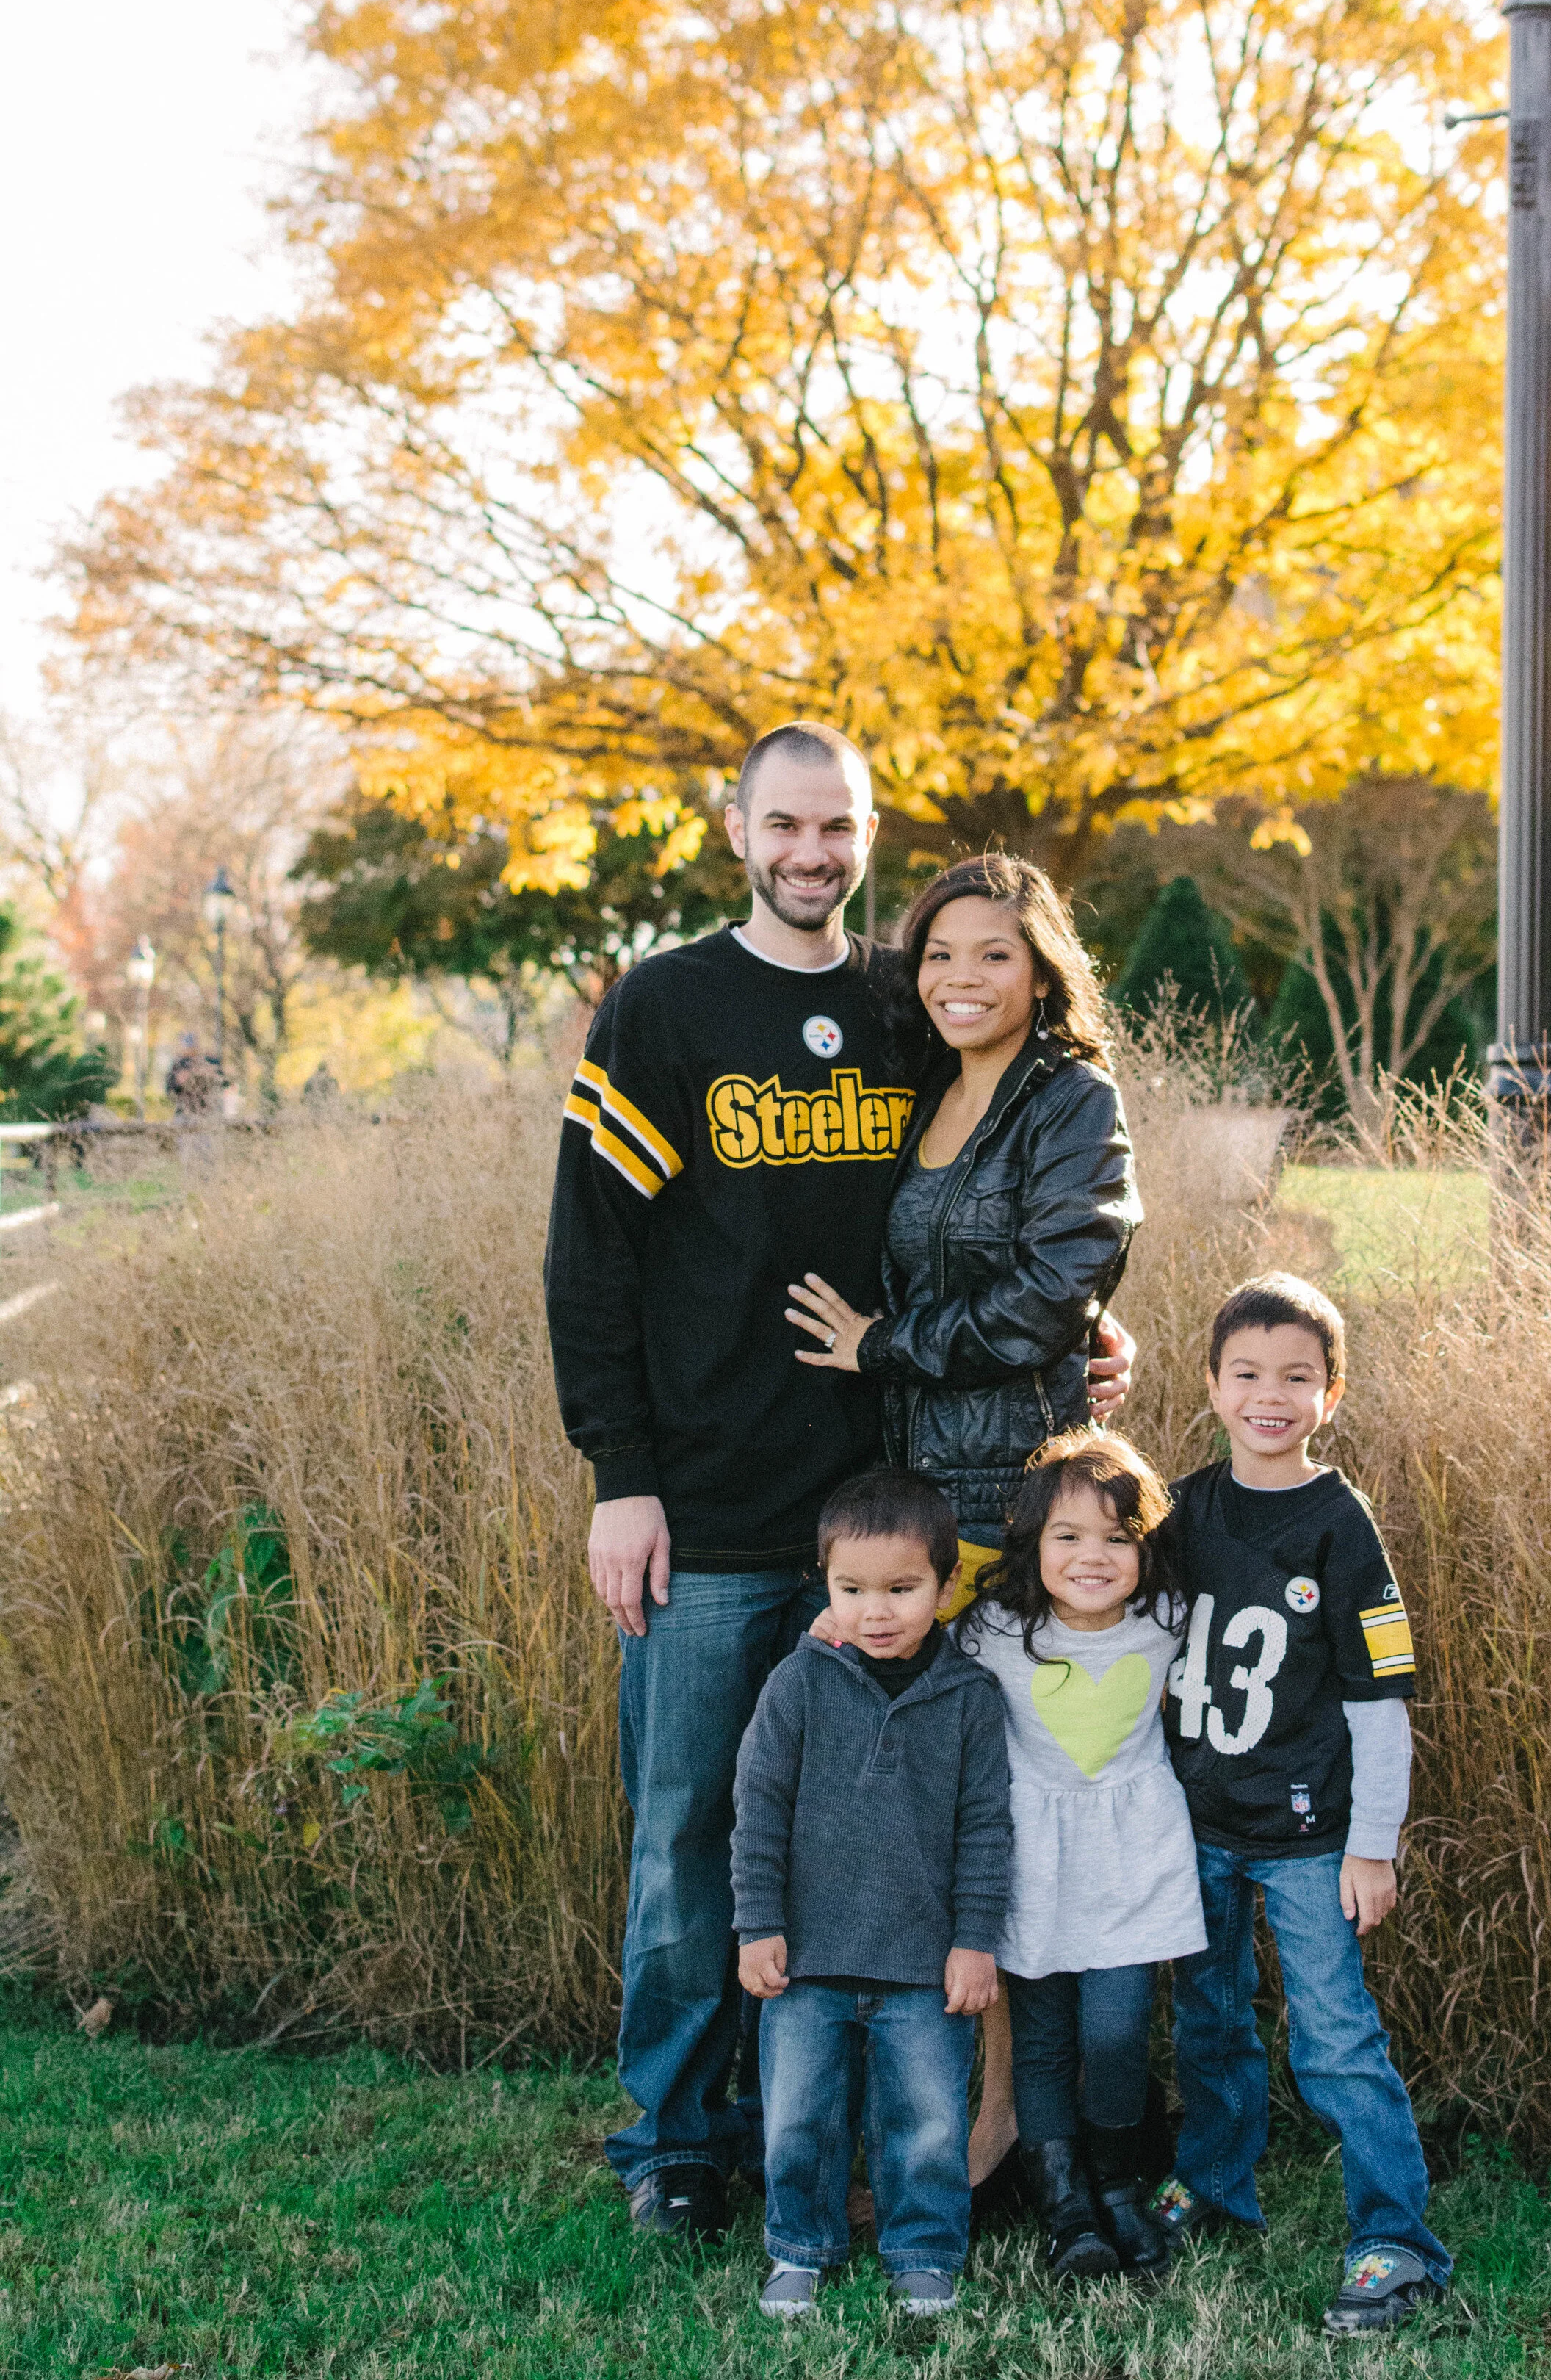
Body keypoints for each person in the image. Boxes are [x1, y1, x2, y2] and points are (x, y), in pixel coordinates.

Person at [543, 725, 1132, 2243]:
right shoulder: (664, 1004)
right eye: (786, 825)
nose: (812, 853)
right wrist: (623, 1477)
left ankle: (857, 2128)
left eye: (840, 828)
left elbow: (973, 1196)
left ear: (868, 834)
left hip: (891, 1513)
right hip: (717, 1508)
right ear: (737, 827)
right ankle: (677, 2137)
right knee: (685, 1829)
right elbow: (588, 1258)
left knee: (878, 1840)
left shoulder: (896, 1004)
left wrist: (1076, 1327)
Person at [782, 849, 1143, 2199]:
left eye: (992, 954)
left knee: (1005, 1825)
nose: (959, 979)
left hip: (1018, 1511)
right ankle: (945, 2118)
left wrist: (886, 1347)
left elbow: (1057, 1294)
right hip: (922, 1504)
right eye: (937, 955)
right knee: (930, 1828)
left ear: (1042, 966)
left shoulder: (1070, 1098)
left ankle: (1012, 2131)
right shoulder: (928, 1086)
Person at [1154, 1272, 1453, 2337]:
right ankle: (1215, 2182)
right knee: (1210, 2020)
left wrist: (1373, 1847)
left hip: (1308, 1839)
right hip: (1198, 1824)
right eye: (1247, 1374)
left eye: (1296, 1376)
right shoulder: (1182, 1507)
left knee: (1334, 2038)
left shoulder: (1341, 1525)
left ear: (1332, 1392)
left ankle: (1394, 2239)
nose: (1268, 1395)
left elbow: (1380, 1699)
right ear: (1212, 1383)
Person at [732, 1469, 1010, 2320]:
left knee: (925, 2120)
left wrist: (975, 1941)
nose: (875, 1611)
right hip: (808, 1957)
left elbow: (987, 1831)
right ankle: (798, 2249)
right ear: (825, 1583)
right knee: (800, 2117)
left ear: (946, 1585)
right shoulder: (800, 1684)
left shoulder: (969, 1700)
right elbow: (758, 1811)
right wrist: (757, 1924)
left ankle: (923, 2252)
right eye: (851, 1590)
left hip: (924, 1964)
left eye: (901, 1589)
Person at [956, 1431, 1204, 2285]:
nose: (1092, 1556)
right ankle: (1065, 2208)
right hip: (1034, 1861)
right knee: (1045, 2041)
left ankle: (1117, 2186)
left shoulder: (1166, 1620)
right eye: (1068, 1536)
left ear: (1145, 1546)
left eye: (1116, 1537)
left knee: (1117, 2028)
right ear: (1033, 1543)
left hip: (1134, 1857)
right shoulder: (993, 1631)